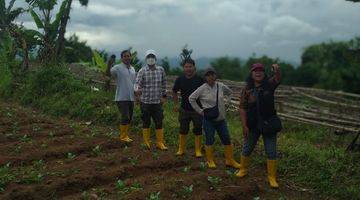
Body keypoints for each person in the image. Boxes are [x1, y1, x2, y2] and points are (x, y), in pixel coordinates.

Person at [236, 63, 282, 188]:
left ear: (264, 73)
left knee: (271, 151)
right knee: (247, 148)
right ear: (251, 74)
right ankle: (243, 169)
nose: (258, 72)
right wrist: (244, 125)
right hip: (253, 124)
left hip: (268, 123)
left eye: (261, 70)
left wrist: (277, 70)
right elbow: (242, 108)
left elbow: (278, 78)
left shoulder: (269, 85)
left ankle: (272, 177)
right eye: (255, 71)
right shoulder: (247, 89)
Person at [189, 67, 240, 169]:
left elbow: (230, 93)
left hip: (221, 119)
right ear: (205, 77)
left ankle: (230, 160)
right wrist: (200, 111)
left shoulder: (220, 86)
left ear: (215, 75)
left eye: (212, 74)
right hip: (208, 120)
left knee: (226, 138)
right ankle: (210, 160)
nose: (211, 77)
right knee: (209, 139)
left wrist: (227, 103)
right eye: (208, 75)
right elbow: (191, 98)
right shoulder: (202, 88)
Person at [135, 49, 167, 150]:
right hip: (145, 102)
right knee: (146, 122)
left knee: (159, 122)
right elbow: (137, 84)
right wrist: (137, 91)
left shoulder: (161, 70)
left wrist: (164, 96)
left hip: (157, 102)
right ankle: (146, 142)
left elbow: (164, 84)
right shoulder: (142, 71)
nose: (150, 59)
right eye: (149, 57)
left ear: (155, 58)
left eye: (152, 57)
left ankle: (160, 143)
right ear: (146, 59)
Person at [172, 58, 204, 157]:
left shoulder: (200, 79)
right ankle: (181, 149)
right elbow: (174, 91)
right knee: (183, 129)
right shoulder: (180, 79)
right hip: (184, 109)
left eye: (190, 66)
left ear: (194, 67)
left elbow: (205, 93)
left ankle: (198, 150)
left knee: (198, 129)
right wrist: (176, 104)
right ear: (183, 68)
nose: (188, 69)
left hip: (197, 110)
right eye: (186, 67)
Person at [110, 50, 136, 143]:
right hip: (121, 97)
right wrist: (110, 63)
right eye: (124, 56)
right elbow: (110, 73)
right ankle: (123, 136)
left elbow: (134, 83)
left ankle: (126, 135)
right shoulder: (117, 68)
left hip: (131, 97)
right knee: (125, 117)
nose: (127, 57)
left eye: (128, 56)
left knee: (130, 117)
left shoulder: (133, 69)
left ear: (131, 57)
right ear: (122, 58)